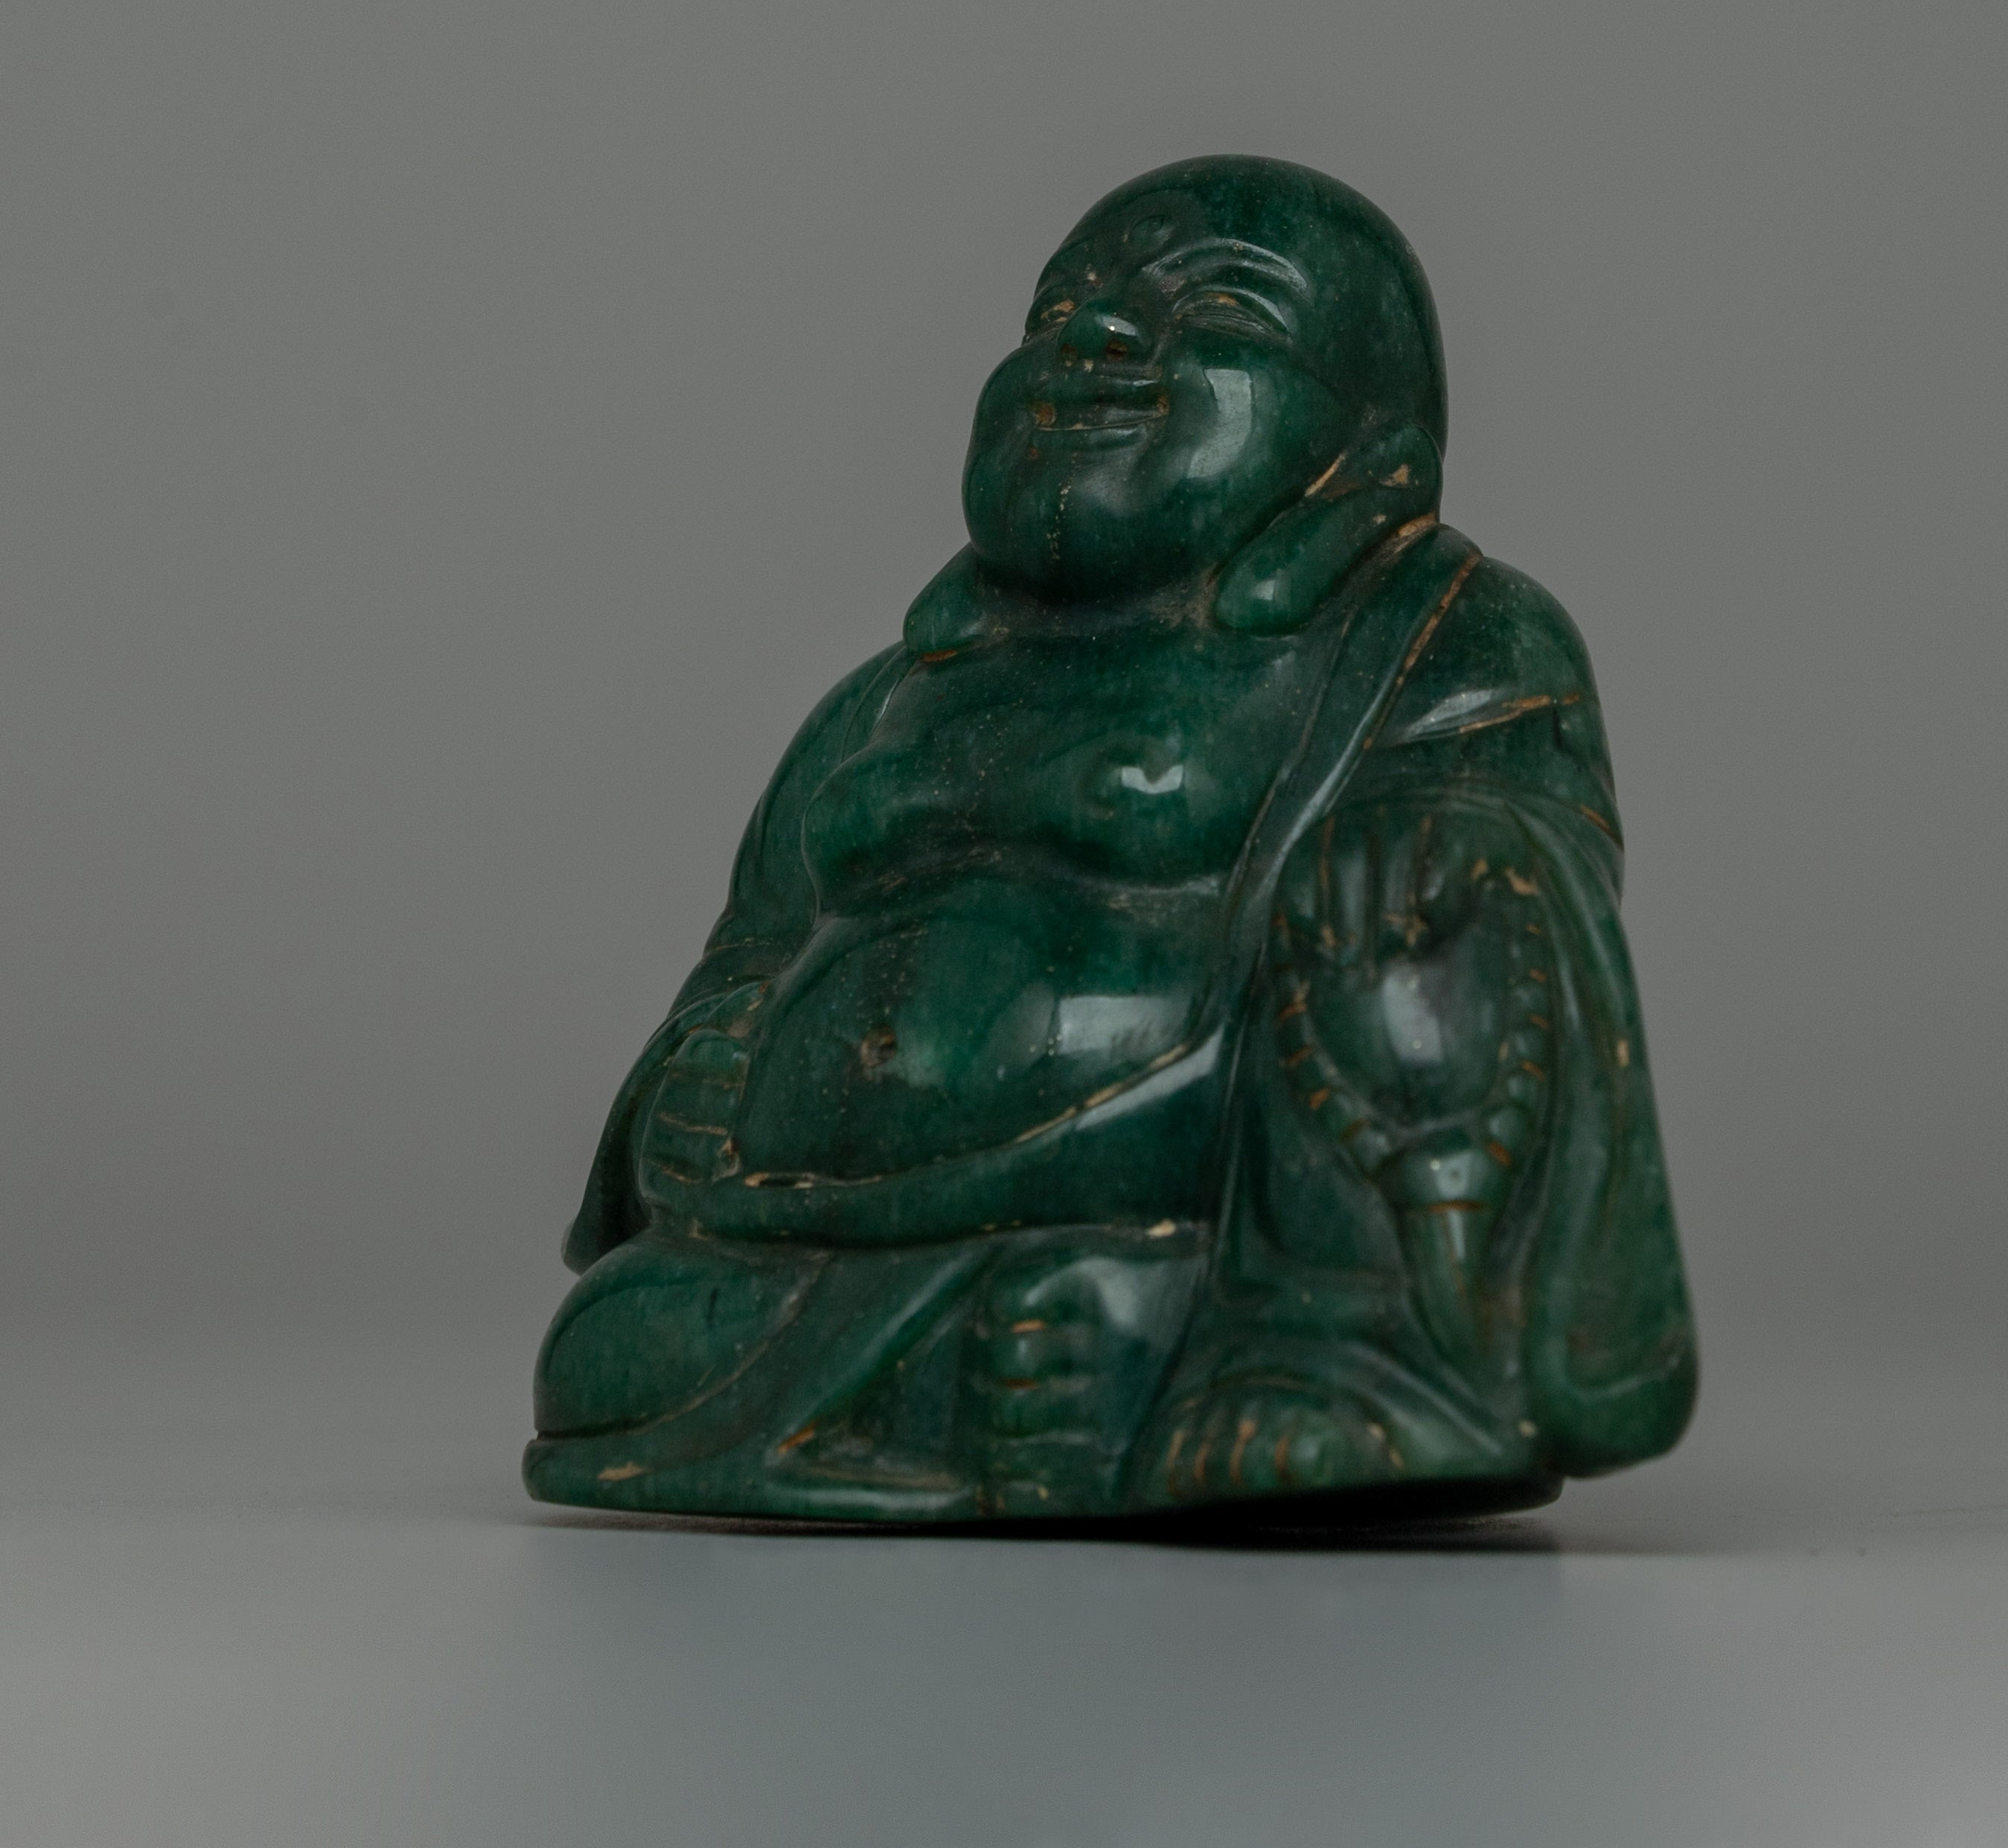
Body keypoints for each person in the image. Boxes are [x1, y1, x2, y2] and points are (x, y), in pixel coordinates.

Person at [525, 155, 1694, 1520]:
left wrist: (1428, 849)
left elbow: (1529, 904)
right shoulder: (881, 704)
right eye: (1055, 312)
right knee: (600, 1355)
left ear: (1376, 464)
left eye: (1216, 311)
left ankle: (1301, 1343)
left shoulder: (1433, 634)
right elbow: (748, 951)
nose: (1092, 336)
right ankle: (1070, 1342)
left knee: (1434, 879)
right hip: (826, 1237)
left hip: (1226, 1185)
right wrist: (697, 1074)